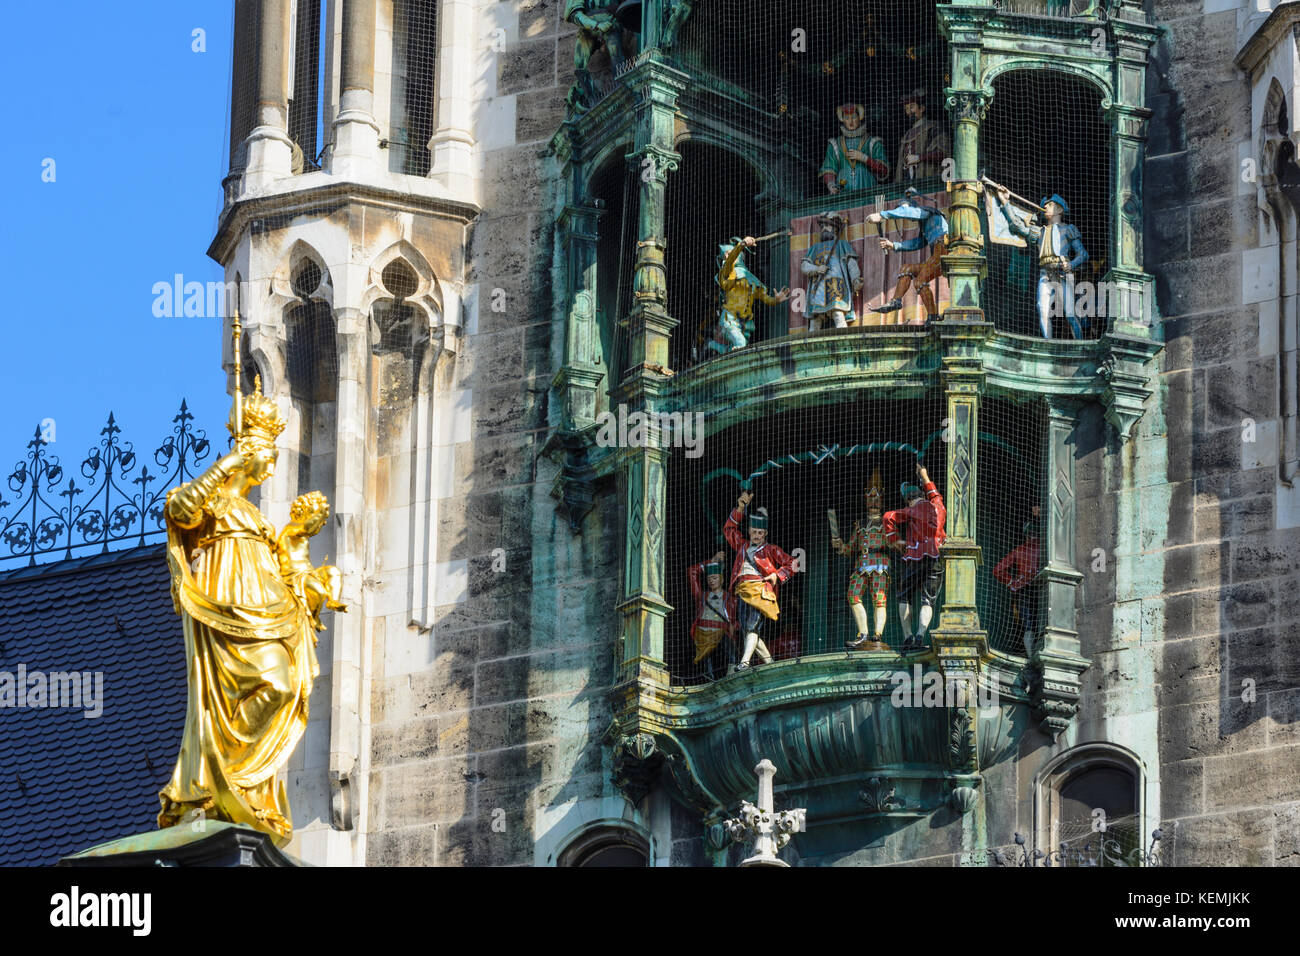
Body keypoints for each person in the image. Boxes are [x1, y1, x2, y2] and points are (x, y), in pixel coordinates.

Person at [158, 377, 326, 845]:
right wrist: (224, 466)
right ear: (248, 454)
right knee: (262, 685)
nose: (271, 469)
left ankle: (243, 783)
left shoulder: (261, 520)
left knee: (282, 682)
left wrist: (312, 588)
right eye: (267, 457)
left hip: (263, 607)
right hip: (223, 603)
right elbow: (179, 510)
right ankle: (218, 780)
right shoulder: (214, 502)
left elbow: (291, 572)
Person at [993, 185, 1089, 339]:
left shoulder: (1068, 229)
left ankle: (1081, 344)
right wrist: (1005, 203)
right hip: (1045, 275)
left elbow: (1083, 254)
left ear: (1059, 210)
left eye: (1049, 205)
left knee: (1070, 314)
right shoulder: (1039, 231)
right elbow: (1018, 226)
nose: (1045, 206)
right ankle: (1048, 342)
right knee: (1042, 309)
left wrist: (1071, 264)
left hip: (1062, 275)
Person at [723, 490, 798, 670]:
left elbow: (794, 563)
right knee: (748, 629)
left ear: (765, 534)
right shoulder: (742, 545)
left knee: (751, 627)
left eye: (760, 533)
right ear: (748, 531)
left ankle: (745, 662)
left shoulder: (771, 549)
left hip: (760, 591)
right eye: (754, 532)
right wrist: (740, 507)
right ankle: (770, 663)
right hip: (742, 591)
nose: (757, 535)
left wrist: (777, 575)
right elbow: (729, 529)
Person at [883, 461, 946, 652]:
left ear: (908, 500)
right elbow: (934, 494)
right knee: (928, 599)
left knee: (904, 596)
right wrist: (924, 475)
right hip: (935, 556)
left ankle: (908, 637)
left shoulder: (911, 510)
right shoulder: (938, 506)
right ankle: (920, 636)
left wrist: (895, 539)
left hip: (914, 556)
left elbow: (888, 516)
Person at [868, 188, 949, 324]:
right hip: (937, 254)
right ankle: (896, 301)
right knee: (907, 268)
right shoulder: (925, 224)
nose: (905, 216)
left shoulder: (925, 212)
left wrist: (882, 215)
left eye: (902, 210)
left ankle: (933, 316)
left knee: (919, 281)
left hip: (943, 250)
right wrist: (894, 245)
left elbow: (909, 212)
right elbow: (919, 243)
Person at [276, 491, 348, 631]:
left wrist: (320, 514)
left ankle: (333, 600)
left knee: (333, 571)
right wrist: (320, 513)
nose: (320, 523)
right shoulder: (291, 528)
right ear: (304, 512)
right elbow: (307, 527)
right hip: (294, 575)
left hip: (308, 572)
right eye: (314, 514)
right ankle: (314, 618)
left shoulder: (301, 533)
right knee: (319, 591)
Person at [831, 480, 891, 649]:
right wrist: (840, 546)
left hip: (880, 563)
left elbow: (894, 541)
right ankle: (863, 633)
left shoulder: (886, 522)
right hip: (861, 564)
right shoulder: (859, 525)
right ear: (865, 501)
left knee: (879, 599)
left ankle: (877, 634)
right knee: (853, 594)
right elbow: (850, 548)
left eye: (877, 499)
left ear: (882, 501)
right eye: (870, 499)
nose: (873, 502)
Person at [711, 236, 790, 355]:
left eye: (728, 253)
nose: (726, 256)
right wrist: (742, 244)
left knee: (737, 349)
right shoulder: (728, 272)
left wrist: (776, 300)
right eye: (724, 255)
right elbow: (730, 261)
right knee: (740, 344)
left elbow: (764, 297)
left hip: (745, 323)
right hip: (729, 319)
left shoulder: (749, 277)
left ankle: (712, 345)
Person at [994, 506, 1042, 658]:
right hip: (1041, 588)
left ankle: (1030, 657)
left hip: (1023, 589)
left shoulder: (1019, 550)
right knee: (1041, 624)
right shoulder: (1044, 548)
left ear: (1026, 535)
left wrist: (1013, 583)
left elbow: (997, 570)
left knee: (1027, 627)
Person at [801, 212, 862, 330]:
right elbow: (804, 265)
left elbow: (851, 264)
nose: (823, 229)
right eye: (822, 226)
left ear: (835, 228)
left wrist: (855, 279)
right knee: (815, 318)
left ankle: (844, 340)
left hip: (835, 284)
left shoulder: (842, 244)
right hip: (818, 285)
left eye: (827, 226)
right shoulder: (814, 248)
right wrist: (817, 269)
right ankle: (811, 344)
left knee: (837, 313)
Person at [687, 551, 738, 677]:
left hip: (722, 631)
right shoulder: (701, 596)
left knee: (728, 649)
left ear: (721, 579)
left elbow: (739, 618)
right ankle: (707, 677)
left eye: (714, 578)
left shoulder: (731, 598)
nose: (712, 581)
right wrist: (711, 561)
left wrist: (735, 626)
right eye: (709, 579)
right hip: (703, 631)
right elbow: (692, 571)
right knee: (705, 659)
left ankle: (732, 667)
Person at [820, 102, 890, 193]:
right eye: (846, 118)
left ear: (859, 118)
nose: (850, 121)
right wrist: (831, 184)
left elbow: (884, 170)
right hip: (843, 185)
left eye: (853, 117)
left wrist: (864, 158)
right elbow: (829, 168)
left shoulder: (872, 142)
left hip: (867, 185)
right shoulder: (835, 144)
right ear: (842, 120)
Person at [894, 90, 950, 184]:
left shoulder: (933, 127)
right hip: (907, 183)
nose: (909, 112)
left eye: (911, 107)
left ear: (922, 108)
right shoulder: (906, 136)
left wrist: (919, 158)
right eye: (906, 108)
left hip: (928, 182)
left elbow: (943, 153)